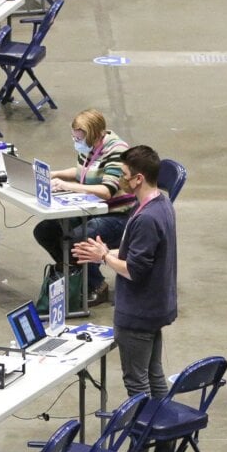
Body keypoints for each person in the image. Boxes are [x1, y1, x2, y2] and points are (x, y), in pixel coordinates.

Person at [74, 145, 177, 409]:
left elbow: (135, 269)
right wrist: (105, 251)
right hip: (155, 308)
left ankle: (142, 444)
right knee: (154, 377)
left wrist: (105, 258)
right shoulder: (161, 203)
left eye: (124, 174)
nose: (121, 180)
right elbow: (139, 253)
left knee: (137, 384)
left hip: (137, 314)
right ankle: (163, 445)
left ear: (138, 178)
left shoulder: (145, 218)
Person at [34, 108, 133, 305]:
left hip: (117, 216)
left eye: (79, 139)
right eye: (74, 137)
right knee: (45, 230)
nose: (76, 142)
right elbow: (82, 172)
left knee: (77, 239)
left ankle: (95, 284)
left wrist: (67, 185)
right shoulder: (89, 148)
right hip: (92, 209)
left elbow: (107, 190)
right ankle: (73, 275)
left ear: (95, 135)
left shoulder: (117, 151)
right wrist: (55, 174)